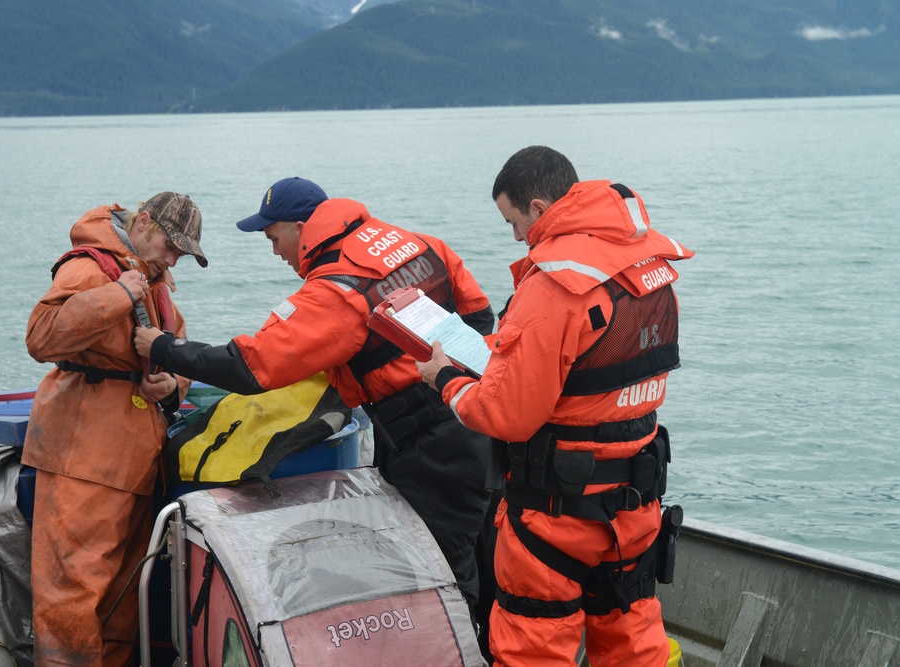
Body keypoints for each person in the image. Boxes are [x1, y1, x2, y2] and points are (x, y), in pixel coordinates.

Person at [133, 177, 497, 646]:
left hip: (428, 446)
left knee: (443, 572)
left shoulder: (336, 290)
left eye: (273, 238)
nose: (275, 252)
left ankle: (459, 653)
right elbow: (481, 318)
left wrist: (166, 347)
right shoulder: (419, 244)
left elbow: (251, 365)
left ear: (301, 228)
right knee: (483, 554)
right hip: (474, 422)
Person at [416, 146, 694, 667]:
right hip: (636, 508)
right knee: (635, 643)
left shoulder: (553, 282)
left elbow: (506, 415)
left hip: (555, 516)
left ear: (541, 208)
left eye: (514, 222)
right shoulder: (648, 264)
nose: (517, 237)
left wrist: (447, 378)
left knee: (533, 651)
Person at [23, 192, 207, 666]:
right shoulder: (88, 267)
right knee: (73, 592)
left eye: (181, 254)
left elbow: (177, 346)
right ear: (143, 223)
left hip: (134, 460)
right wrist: (118, 294)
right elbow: (41, 336)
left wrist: (172, 383)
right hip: (81, 457)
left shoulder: (155, 278)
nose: (173, 259)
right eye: (171, 246)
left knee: (125, 595)